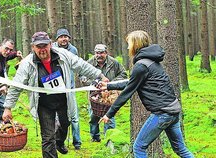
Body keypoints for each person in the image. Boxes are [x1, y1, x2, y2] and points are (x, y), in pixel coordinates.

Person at [2, 31, 108, 158]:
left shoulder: (63, 55)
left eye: (44, 46)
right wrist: (7, 107)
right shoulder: (27, 63)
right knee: (47, 137)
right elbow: (16, 86)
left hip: (63, 100)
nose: (42, 50)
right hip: (43, 104)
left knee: (65, 124)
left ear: (50, 45)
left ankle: (59, 142)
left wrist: (100, 75)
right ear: (33, 47)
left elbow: (81, 65)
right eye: (38, 46)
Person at [99, 30, 194, 158]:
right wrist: (109, 85)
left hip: (162, 113)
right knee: (181, 149)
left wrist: (109, 114)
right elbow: (133, 82)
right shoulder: (151, 61)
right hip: (173, 111)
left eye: (129, 43)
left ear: (135, 45)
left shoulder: (141, 65)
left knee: (138, 147)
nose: (128, 47)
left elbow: (128, 92)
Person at [80, 44, 127, 142]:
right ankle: (95, 136)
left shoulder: (114, 62)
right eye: (97, 53)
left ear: (106, 53)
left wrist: (111, 83)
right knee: (93, 116)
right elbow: (82, 76)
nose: (99, 55)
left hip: (109, 94)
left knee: (110, 115)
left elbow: (123, 74)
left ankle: (109, 138)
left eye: (101, 53)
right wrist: (92, 82)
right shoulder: (89, 63)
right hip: (95, 94)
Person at [52, 28, 81, 150]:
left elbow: (78, 66)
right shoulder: (51, 49)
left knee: (74, 116)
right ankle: (55, 140)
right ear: (57, 39)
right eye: (61, 37)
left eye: (66, 36)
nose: (64, 39)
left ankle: (77, 142)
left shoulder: (73, 50)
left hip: (70, 88)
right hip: (55, 88)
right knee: (55, 117)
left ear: (69, 38)